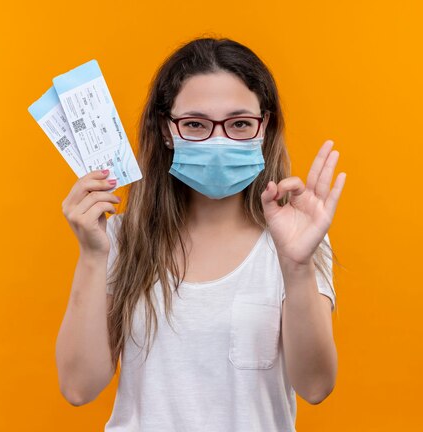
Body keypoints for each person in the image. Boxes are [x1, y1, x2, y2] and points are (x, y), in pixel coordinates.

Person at [56, 36, 347, 431]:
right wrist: (92, 255)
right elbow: (78, 387)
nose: (218, 141)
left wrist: (296, 267)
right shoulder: (121, 239)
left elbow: (314, 386)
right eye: (195, 124)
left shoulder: (296, 240)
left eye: (239, 123)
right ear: (166, 130)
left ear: (265, 127)